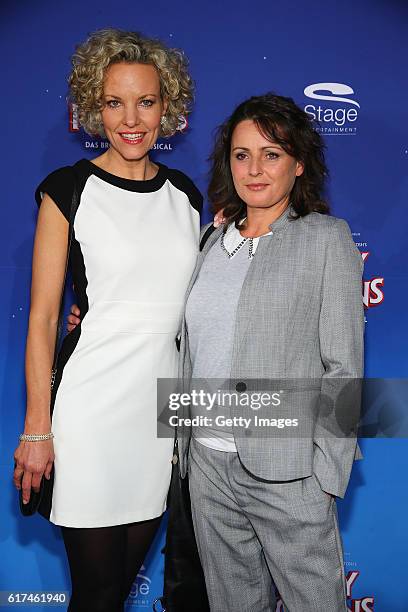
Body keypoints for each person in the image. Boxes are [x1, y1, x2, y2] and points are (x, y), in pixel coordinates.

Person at [13, 28, 202, 611]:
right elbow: (45, 318)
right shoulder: (68, 190)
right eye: (114, 102)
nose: (132, 119)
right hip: (88, 413)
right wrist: (37, 429)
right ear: (94, 108)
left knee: (115, 592)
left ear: (166, 106)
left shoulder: (187, 198)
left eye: (146, 101)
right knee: (95, 594)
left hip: (157, 422)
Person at [176, 93, 364, 611]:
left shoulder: (326, 239)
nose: (254, 169)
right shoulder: (210, 243)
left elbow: (343, 366)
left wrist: (327, 471)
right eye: (242, 155)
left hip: (290, 469)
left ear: (299, 163)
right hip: (208, 465)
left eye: (271, 154)